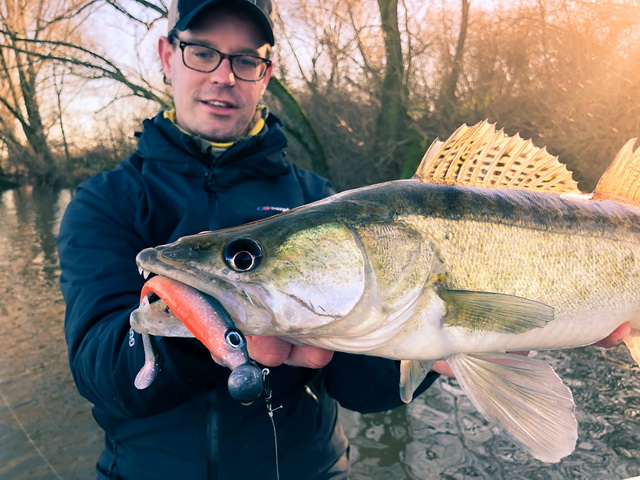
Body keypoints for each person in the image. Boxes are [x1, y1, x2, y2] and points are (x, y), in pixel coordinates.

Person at [56, 0, 630, 479]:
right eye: (202, 51)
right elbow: (100, 372)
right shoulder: (105, 201)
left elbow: (360, 386)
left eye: (245, 60)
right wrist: (210, 335)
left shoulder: (316, 196)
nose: (223, 75)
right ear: (167, 56)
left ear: (267, 73)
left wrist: (434, 358)